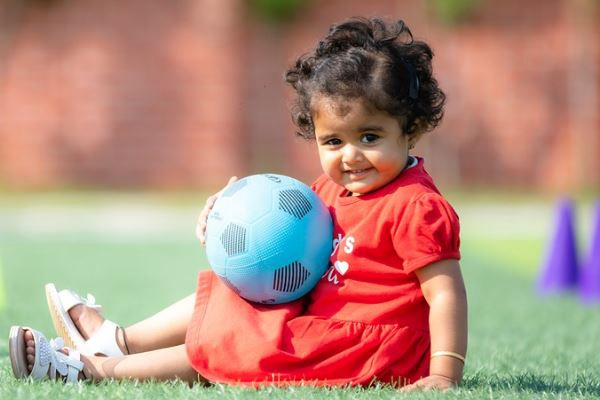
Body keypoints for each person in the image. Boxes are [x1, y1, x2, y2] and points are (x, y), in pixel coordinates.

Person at [8, 17, 467, 391]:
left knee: (235, 339)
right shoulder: (333, 191)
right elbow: (276, 241)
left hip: (364, 347)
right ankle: (116, 341)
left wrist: (442, 375)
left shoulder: (415, 207)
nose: (350, 156)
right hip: (315, 318)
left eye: (369, 137)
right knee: (231, 293)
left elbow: (444, 293)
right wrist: (226, 220)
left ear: (410, 129)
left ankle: (88, 370)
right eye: (332, 141)